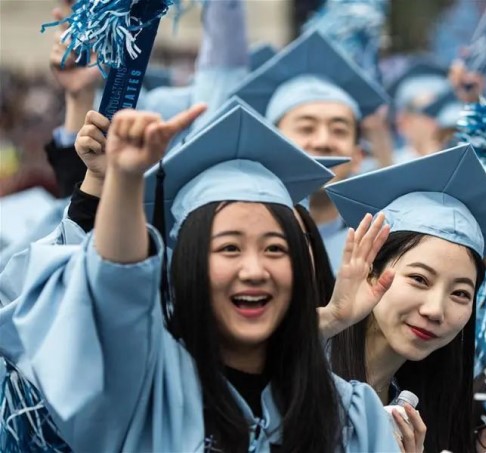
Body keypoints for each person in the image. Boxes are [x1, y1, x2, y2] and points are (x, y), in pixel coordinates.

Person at [0, 104, 400, 452]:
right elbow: (117, 288)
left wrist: (332, 318)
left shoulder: (352, 414)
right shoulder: (148, 384)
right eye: (229, 248)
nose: (254, 269)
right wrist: (120, 181)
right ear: (188, 264)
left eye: (275, 249)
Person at [324, 144, 486, 452]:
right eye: (419, 279)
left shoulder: (424, 414)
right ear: (370, 272)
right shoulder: (303, 376)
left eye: (460, 293)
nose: (435, 310)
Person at [232, 30, 389, 273]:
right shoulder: (232, 248)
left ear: (358, 156)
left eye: (339, 130)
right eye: (306, 127)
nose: (323, 141)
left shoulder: (377, 259)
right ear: (271, 145)